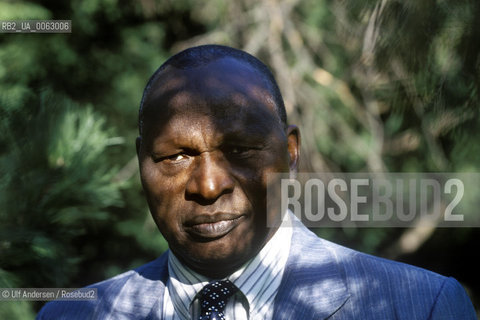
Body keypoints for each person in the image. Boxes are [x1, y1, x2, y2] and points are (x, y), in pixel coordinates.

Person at [37, 45, 476, 319]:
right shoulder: (70, 315)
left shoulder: (423, 306)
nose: (208, 186)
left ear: (290, 154)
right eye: (176, 156)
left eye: (240, 151)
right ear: (141, 163)